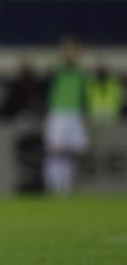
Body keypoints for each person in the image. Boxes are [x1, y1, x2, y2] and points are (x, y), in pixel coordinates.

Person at [43, 37, 89, 194]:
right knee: (55, 150)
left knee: (71, 151)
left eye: (73, 51)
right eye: (67, 51)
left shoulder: (81, 74)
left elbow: (84, 97)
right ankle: (53, 185)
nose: (70, 54)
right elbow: (46, 93)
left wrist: (83, 114)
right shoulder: (56, 72)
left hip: (74, 114)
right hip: (58, 114)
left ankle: (66, 186)